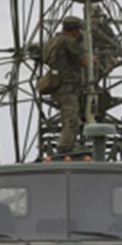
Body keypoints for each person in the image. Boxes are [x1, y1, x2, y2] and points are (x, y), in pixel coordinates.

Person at [42, 15, 87, 154]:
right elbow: (83, 62)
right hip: (68, 86)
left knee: (67, 118)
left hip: (57, 86)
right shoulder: (68, 41)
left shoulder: (53, 41)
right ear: (74, 30)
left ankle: (66, 146)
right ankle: (63, 149)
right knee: (72, 120)